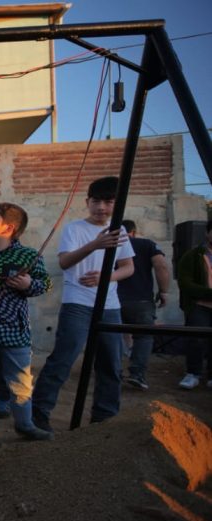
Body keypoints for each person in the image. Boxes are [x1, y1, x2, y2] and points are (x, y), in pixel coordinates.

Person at [31, 176, 135, 432]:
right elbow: (65, 262)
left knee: (110, 363)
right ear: (87, 202)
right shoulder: (74, 229)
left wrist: (105, 278)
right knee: (63, 360)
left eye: (108, 202)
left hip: (110, 305)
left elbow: (128, 267)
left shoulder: (119, 231)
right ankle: (38, 413)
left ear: (118, 204)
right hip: (77, 303)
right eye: (96, 201)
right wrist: (95, 244)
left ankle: (104, 418)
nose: (101, 207)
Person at [0, 203, 53, 449]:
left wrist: (28, 285)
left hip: (15, 332)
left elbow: (45, 284)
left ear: (8, 228)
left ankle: (24, 424)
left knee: (20, 383)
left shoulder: (28, 255)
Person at [117, 219, 170, 390]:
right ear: (134, 232)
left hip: (112, 299)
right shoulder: (147, 244)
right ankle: (137, 374)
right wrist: (163, 291)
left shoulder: (111, 245)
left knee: (112, 335)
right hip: (141, 300)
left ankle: (114, 373)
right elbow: (161, 266)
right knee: (144, 336)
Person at [175, 219, 212, 389]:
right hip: (199, 305)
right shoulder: (193, 255)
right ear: (207, 233)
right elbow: (185, 283)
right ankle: (193, 373)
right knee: (196, 339)